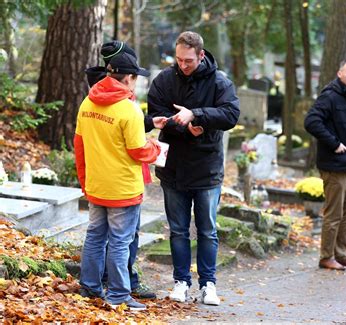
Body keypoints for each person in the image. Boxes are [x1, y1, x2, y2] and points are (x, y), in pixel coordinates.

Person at [145, 31, 239, 305]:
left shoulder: (219, 81)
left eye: (188, 60)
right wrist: (186, 125)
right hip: (173, 167)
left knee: (208, 229)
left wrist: (197, 114)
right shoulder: (164, 79)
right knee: (178, 229)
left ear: (201, 55)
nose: (182, 65)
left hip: (207, 168)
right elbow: (155, 115)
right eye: (178, 59)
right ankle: (181, 282)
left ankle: (208, 284)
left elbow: (230, 114)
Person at [75, 48, 168, 310]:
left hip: (97, 184)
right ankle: (118, 295)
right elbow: (139, 150)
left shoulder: (87, 103)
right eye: (135, 77)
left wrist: (85, 181)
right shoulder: (129, 110)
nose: (136, 82)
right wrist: (157, 148)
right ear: (127, 78)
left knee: (95, 236)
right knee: (120, 242)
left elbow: (79, 145)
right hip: (123, 189)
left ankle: (90, 287)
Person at [304, 59, 346, 271]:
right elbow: (312, 122)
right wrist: (334, 143)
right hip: (333, 164)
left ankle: (341, 254)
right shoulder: (329, 96)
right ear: (340, 74)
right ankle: (326, 256)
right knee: (334, 214)